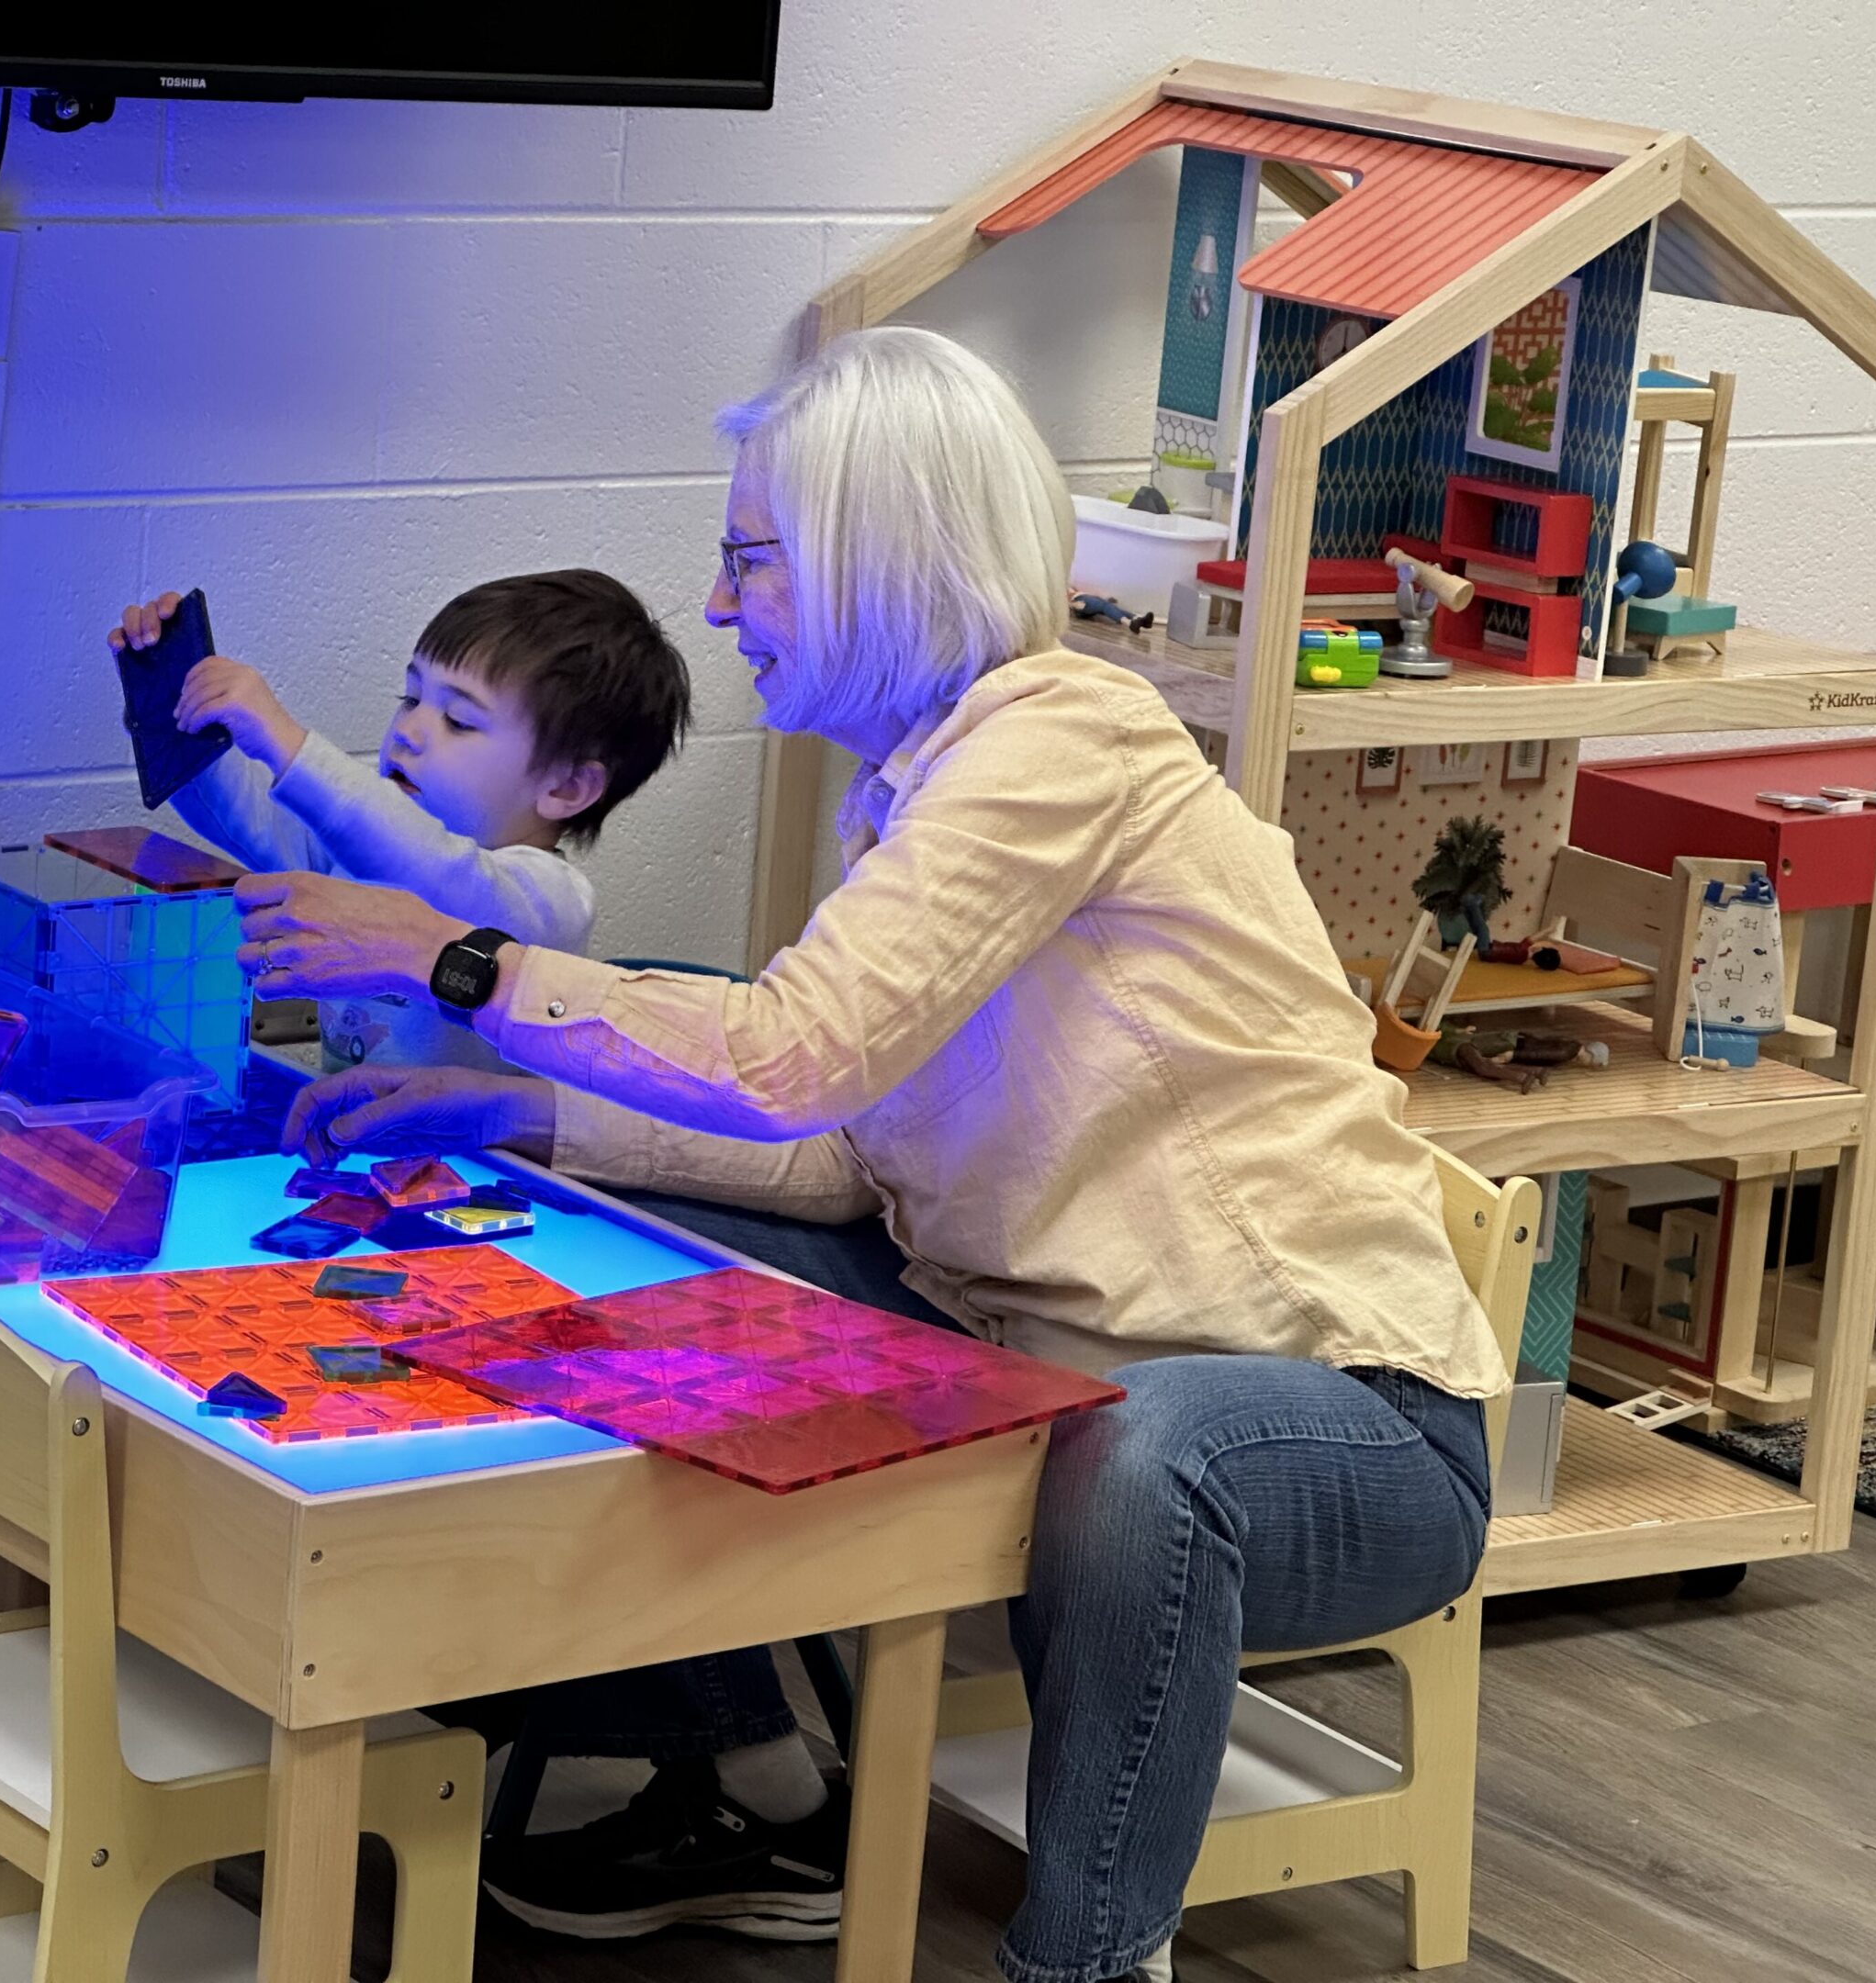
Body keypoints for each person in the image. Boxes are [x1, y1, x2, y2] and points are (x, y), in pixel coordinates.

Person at [226, 327, 1504, 1983]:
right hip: (1024, 1350)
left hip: (1340, 1424)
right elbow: (846, 1159)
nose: (719, 605)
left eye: (752, 560)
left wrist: (451, 962)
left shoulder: (1058, 749)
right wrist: (516, 1115)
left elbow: (788, 1059)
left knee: (1146, 1446)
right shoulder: (915, 788)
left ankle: (1090, 1962)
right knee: (616, 1232)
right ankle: (749, 1769)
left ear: (878, 559)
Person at [107, 570, 691, 1074]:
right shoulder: (354, 855)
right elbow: (242, 816)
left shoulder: (549, 901)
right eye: (411, 698)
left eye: (459, 720)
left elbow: (432, 871)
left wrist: (286, 741)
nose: (408, 730)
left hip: (483, 1180)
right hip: (359, 1141)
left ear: (565, 786)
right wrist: (172, 709)